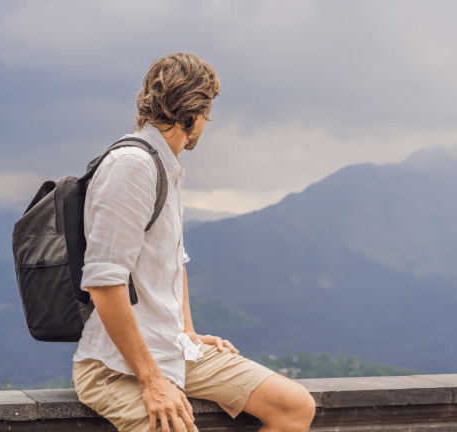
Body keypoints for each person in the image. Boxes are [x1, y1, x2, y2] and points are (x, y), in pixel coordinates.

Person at [71, 53, 316, 432]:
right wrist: (153, 382)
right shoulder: (133, 166)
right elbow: (104, 282)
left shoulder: (163, 165)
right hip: (116, 367)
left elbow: (173, 262)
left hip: (173, 350)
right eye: (208, 112)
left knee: (294, 407)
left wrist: (186, 331)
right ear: (194, 114)